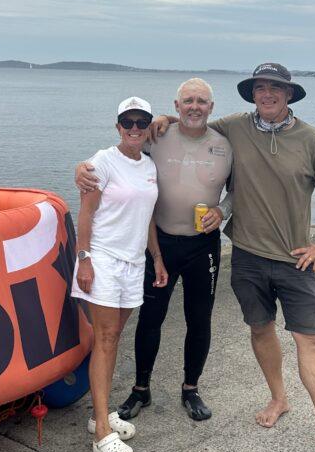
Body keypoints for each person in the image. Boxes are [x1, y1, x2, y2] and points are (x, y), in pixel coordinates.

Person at [153, 62, 315, 452]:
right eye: (260, 88)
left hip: (295, 258)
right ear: (252, 94)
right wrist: (162, 120)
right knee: (260, 329)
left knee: (311, 339)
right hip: (248, 256)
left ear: (289, 94)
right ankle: (278, 398)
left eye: (275, 88)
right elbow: (194, 123)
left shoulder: (312, 140)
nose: (267, 94)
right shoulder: (236, 127)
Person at [76, 79, 232, 421]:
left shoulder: (225, 144)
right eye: (187, 101)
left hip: (203, 245)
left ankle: (191, 388)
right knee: (150, 318)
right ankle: (140, 389)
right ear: (176, 106)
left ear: (211, 107)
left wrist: (223, 210)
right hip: (160, 243)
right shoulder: (156, 136)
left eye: (201, 101)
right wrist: (81, 169)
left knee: (199, 318)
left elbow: (237, 189)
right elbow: (118, 152)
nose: (194, 107)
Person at [72, 96, 166, 452]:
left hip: (133, 263)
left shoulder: (149, 165)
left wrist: (156, 257)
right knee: (106, 339)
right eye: (128, 122)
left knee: (110, 341)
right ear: (118, 127)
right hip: (103, 261)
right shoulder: (102, 162)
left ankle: (101, 412)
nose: (134, 129)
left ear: (148, 128)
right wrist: (84, 260)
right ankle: (100, 432)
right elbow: (85, 214)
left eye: (141, 123)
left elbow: (147, 217)